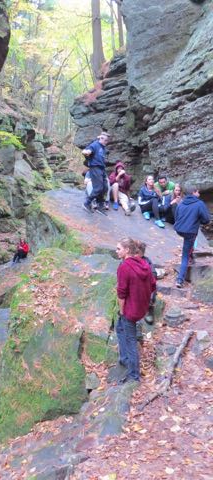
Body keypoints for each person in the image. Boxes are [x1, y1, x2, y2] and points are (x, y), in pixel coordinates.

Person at [116, 238, 156, 383]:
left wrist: (122, 311)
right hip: (141, 308)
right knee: (119, 327)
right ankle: (124, 358)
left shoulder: (124, 267)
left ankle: (134, 375)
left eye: (118, 248)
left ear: (127, 250)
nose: (116, 251)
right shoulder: (144, 263)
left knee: (130, 340)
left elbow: (121, 293)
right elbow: (152, 285)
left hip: (130, 310)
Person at [173, 185, 210, 288]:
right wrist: (198, 220)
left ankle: (191, 256)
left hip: (179, 229)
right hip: (190, 232)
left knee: (189, 244)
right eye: (198, 192)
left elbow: (176, 216)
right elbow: (206, 219)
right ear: (194, 192)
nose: (199, 194)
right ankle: (180, 280)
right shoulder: (199, 204)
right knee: (185, 255)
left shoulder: (181, 203)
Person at [82, 132, 110, 215]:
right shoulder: (95, 145)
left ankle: (100, 205)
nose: (106, 142)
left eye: (107, 140)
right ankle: (86, 203)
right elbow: (88, 150)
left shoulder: (103, 147)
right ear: (100, 138)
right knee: (98, 188)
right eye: (105, 140)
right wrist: (86, 152)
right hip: (95, 168)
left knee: (105, 187)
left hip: (102, 169)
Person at [134, 240, 157, 325]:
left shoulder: (147, 261)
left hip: (144, 285)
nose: (135, 255)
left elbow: (154, 274)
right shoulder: (128, 260)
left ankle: (148, 308)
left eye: (138, 252)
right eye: (134, 252)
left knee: (151, 288)